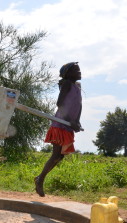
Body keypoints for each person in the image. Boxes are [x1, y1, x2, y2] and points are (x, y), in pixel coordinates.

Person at [34, 62, 82, 197]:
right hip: (60, 123)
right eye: (76, 70)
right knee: (56, 155)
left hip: (68, 125)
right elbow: (60, 104)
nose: (79, 72)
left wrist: (76, 121)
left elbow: (79, 105)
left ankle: (39, 178)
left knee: (60, 156)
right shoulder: (66, 84)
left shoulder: (77, 86)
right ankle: (40, 179)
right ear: (67, 74)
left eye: (79, 70)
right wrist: (70, 121)